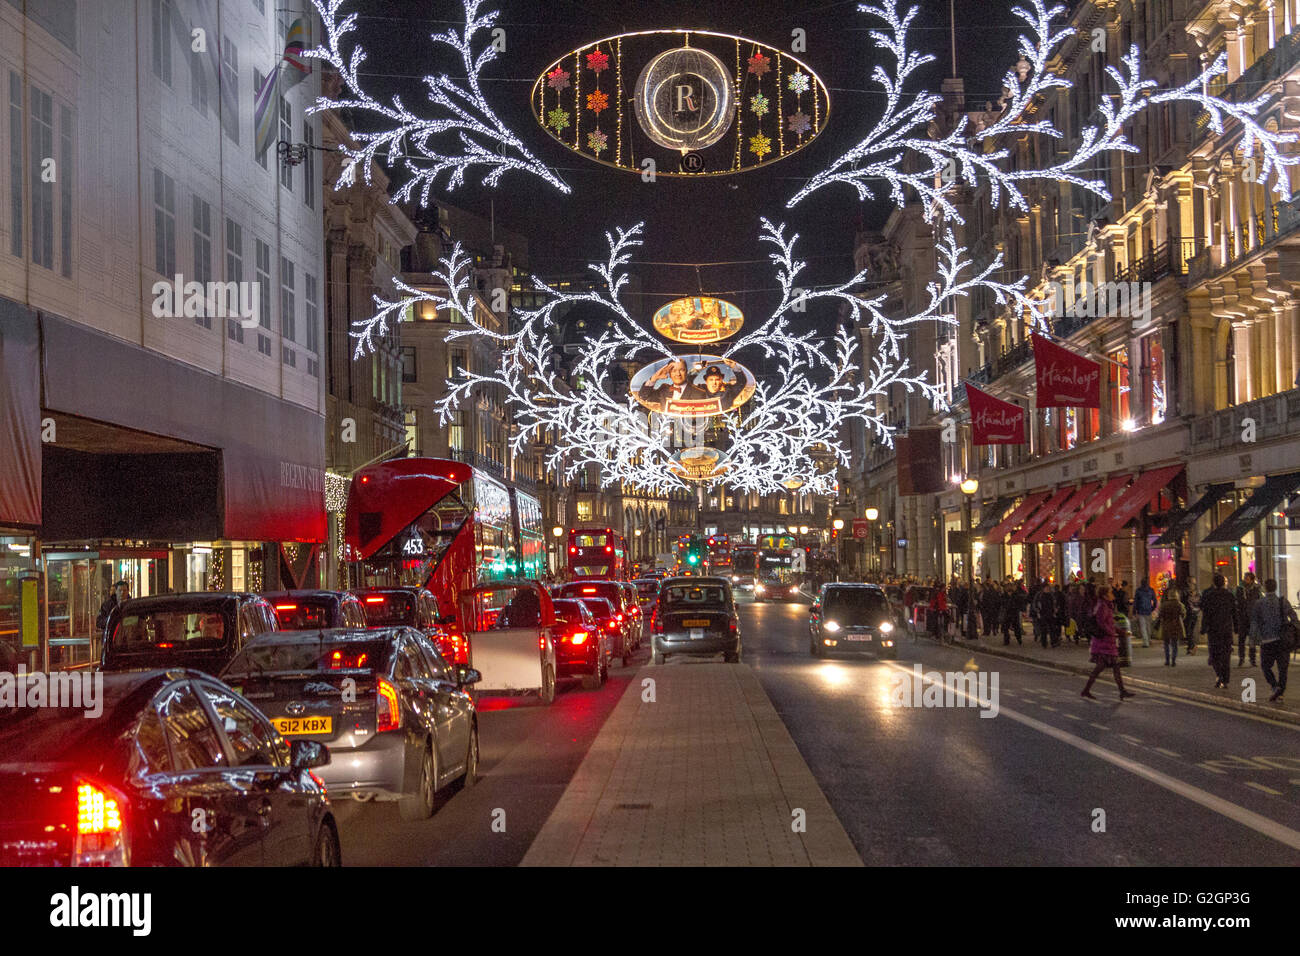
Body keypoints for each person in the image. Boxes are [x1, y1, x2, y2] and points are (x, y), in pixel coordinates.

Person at [1082, 585, 1133, 700]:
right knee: (1102, 668)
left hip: (1106, 643)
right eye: (1110, 592)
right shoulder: (1103, 607)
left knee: (1113, 667)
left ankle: (1121, 691)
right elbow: (1102, 624)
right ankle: (1087, 690)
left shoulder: (1106, 606)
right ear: (1105, 595)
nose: (1113, 594)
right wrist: (1112, 633)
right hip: (1103, 643)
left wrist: (1121, 632)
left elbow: (1109, 624)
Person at [1250, 578, 1296, 702]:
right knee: (1283, 668)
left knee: (1265, 666)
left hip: (1267, 641)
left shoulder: (1259, 604)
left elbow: (1254, 623)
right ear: (1275, 588)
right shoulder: (1283, 602)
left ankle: (1274, 686)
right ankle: (1281, 692)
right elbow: (1294, 617)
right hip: (1282, 641)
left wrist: (1252, 643)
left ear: (1265, 588)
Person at [1200, 572, 1237, 689]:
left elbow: (1206, 614)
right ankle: (1225, 679)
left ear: (1214, 583)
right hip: (1226, 629)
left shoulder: (1209, 596)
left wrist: (1203, 628)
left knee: (1214, 655)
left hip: (1214, 630)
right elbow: (1234, 613)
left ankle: (1219, 674)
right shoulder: (1229, 595)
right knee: (1226, 655)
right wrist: (1236, 627)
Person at [637, 359, 703, 410]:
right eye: (674, 371)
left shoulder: (699, 393)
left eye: (682, 370)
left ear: (686, 372)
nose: (678, 374)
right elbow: (643, 397)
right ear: (670, 374)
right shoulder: (663, 390)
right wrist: (654, 378)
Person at [1234, 571, 1262, 666]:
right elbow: (1236, 601)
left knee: (1252, 640)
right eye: (1245, 578)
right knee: (1241, 639)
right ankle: (1241, 658)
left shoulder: (1256, 589)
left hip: (1252, 618)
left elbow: (1260, 602)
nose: (1245, 579)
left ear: (1252, 580)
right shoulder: (1239, 589)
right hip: (1242, 617)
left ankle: (1252, 659)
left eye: (1247, 578)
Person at [1157, 586, 1185, 666]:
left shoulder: (1164, 605)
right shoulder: (1179, 605)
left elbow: (1160, 615)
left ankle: (1167, 660)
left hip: (1166, 625)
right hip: (1176, 625)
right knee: (1175, 643)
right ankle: (1173, 660)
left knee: (1166, 643)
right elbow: (1183, 614)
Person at [1132, 578, 1156, 648]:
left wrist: (1134, 610)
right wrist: (1152, 608)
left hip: (1141, 610)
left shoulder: (1138, 591)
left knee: (1143, 627)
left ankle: (1145, 642)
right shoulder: (1151, 590)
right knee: (1148, 626)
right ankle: (1148, 640)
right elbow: (1155, 601)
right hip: (1148, 610)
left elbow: (1135, 601)